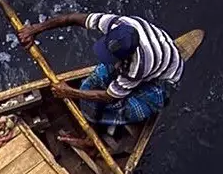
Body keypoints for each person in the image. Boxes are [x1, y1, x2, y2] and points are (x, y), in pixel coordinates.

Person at [15, 9, 183, 138]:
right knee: (88, 85)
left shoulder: (139, 66)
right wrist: (36, 29)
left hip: (161, 81)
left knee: (119, 109)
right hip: (147, 59)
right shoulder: (115, 23)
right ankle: (93, 121)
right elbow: (71, 19)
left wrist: (70, 92)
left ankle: (92, 139)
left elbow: (110, 97)